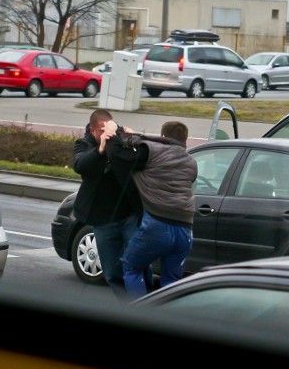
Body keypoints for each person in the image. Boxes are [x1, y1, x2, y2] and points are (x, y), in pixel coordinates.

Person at [104, 120, 197, 299]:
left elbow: (118, 156)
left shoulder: (151, 152)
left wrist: (112, 135)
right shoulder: (191, 162)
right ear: (185, 140)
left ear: (162, 136)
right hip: (185, 230)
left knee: (131, 266)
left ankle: (140, 315)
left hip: (158, 224)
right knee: (171, 280)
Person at [72, 109, 146, 300]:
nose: (107, 136)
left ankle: (145, 303)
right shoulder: (84, 144)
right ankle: (125, 305)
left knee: (138, 261)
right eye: (102, 132)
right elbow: (80, 166)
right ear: (94, 131)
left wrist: (132, 141)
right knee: (111, 270)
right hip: (103, 220)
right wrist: (101, 149)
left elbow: (140, 161)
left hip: (129, 214)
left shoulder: (120, 141)